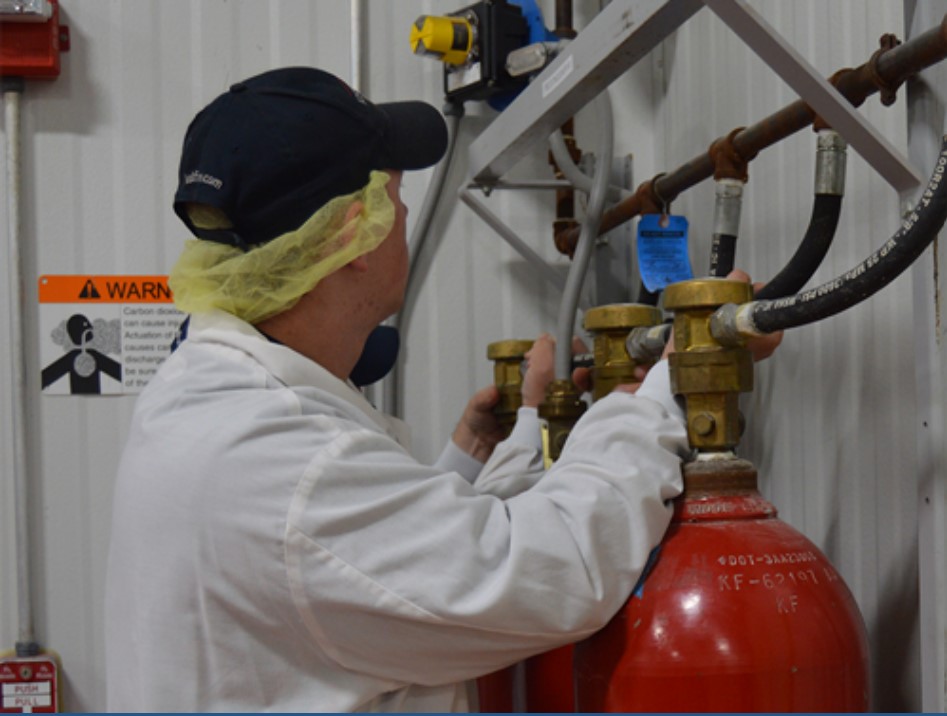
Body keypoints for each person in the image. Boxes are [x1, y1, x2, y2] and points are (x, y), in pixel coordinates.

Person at [104, 66, 775, 712]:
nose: (402, 216)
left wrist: (497, 439)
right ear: (354, 234)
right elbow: (555, 570)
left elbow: (386, 564)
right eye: (395, 200)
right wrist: (665, 392)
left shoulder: (201, 393)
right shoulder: (291, 468)